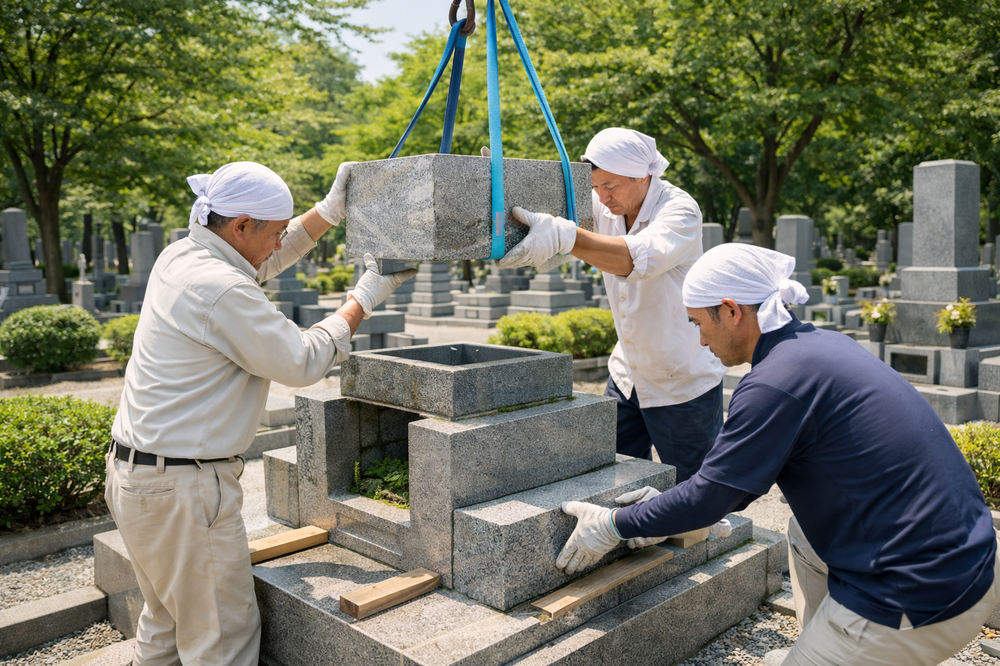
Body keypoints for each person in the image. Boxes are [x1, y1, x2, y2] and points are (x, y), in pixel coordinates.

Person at [553, 243, 1000, 665]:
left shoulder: (774, 384)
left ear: (731, 311)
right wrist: (670, 511)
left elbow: (711, 497)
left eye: (698, 323)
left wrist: (613, 524)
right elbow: (727, 487)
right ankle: (819, 644)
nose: (701, 341)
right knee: (803, 533)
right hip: (968, 558)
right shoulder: (817, 347)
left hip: (916, 595)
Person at [104, 161, 416, 666]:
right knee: (222, 641)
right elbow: (300, 360)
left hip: (139, 479)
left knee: (166, 625)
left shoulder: (183, 254)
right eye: (275, 232)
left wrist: (328, 212)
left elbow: (259, 262)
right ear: (241, 225)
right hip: (183, 494)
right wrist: (362, 298)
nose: (279, 244)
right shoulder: (221, 288)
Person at [499, 128, 726, 483]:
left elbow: (635, 259)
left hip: (681, 379)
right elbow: (552, 204)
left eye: (611, 186)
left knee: (696, 490)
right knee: (612, 478)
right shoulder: (605, 203)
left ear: (642, 176)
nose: (602, 197)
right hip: (627, 375)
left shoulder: (680, 211)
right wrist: (503, 183)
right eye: (596, 186)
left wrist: (565, 237)